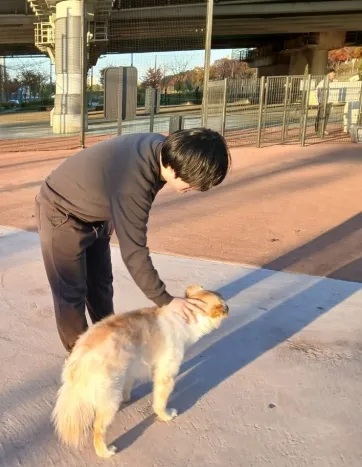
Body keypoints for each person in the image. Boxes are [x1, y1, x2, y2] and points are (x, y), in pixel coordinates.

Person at [35, 128, 231, 352]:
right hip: (61, 212)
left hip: (97, 215)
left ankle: (109, 343)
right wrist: (165, 299)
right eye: (192, 183)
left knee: (100, 286)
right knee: (71, 294)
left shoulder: (163, 149)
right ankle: (83, 361)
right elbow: (134, 251)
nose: (194, 188)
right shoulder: (133, 183)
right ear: (173, 167)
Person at [315, 68, 336, 137]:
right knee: (321, 116)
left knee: (326, 116)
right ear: (328, 74)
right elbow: (318, 93)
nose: (333, 76)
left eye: (334, 75)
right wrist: (320, 102)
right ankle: (319, 130)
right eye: (333, 75)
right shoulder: (323, 82)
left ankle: (323, 129)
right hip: (323, 103)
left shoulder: (331, 83)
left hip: (329, 102)